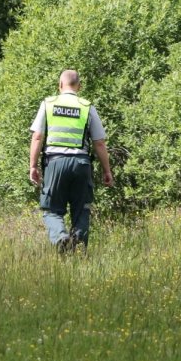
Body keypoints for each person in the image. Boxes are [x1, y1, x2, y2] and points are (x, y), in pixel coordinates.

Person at [29, 70, 114, 252]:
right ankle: (79, 250)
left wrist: (33, 166)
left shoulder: (48, 104)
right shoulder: (87, 107)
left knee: (52, 209)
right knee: (82, 209)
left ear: (60, 85)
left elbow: (37, 137)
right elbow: (99, 142)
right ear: (79, 86)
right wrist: (107, 171)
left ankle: (61, 237)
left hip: (55, 163)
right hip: (81, 164)